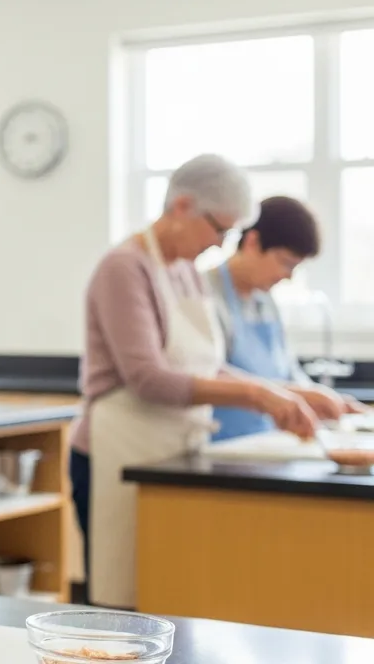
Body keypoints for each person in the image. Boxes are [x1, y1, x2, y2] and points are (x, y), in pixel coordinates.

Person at [70, 154, 334, 610]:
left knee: (169, 596)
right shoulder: (124, 268)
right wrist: (258, 394)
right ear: (182, 207)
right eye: (220, 230)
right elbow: (148, 379)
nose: (221, 245)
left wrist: (281, 392)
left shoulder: (184, 270)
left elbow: (207, 363)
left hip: (168, 454)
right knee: (121, 611)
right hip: (114, 456)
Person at [206, 196, 364, 442]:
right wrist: (301, 394)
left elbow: (288, 371)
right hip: (222, 445)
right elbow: (208, 374)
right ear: (252, 241)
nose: (288, 276)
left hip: (267, 442)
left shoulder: (266, 302)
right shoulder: (204, 296)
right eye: (286, 263)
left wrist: (324, 399)